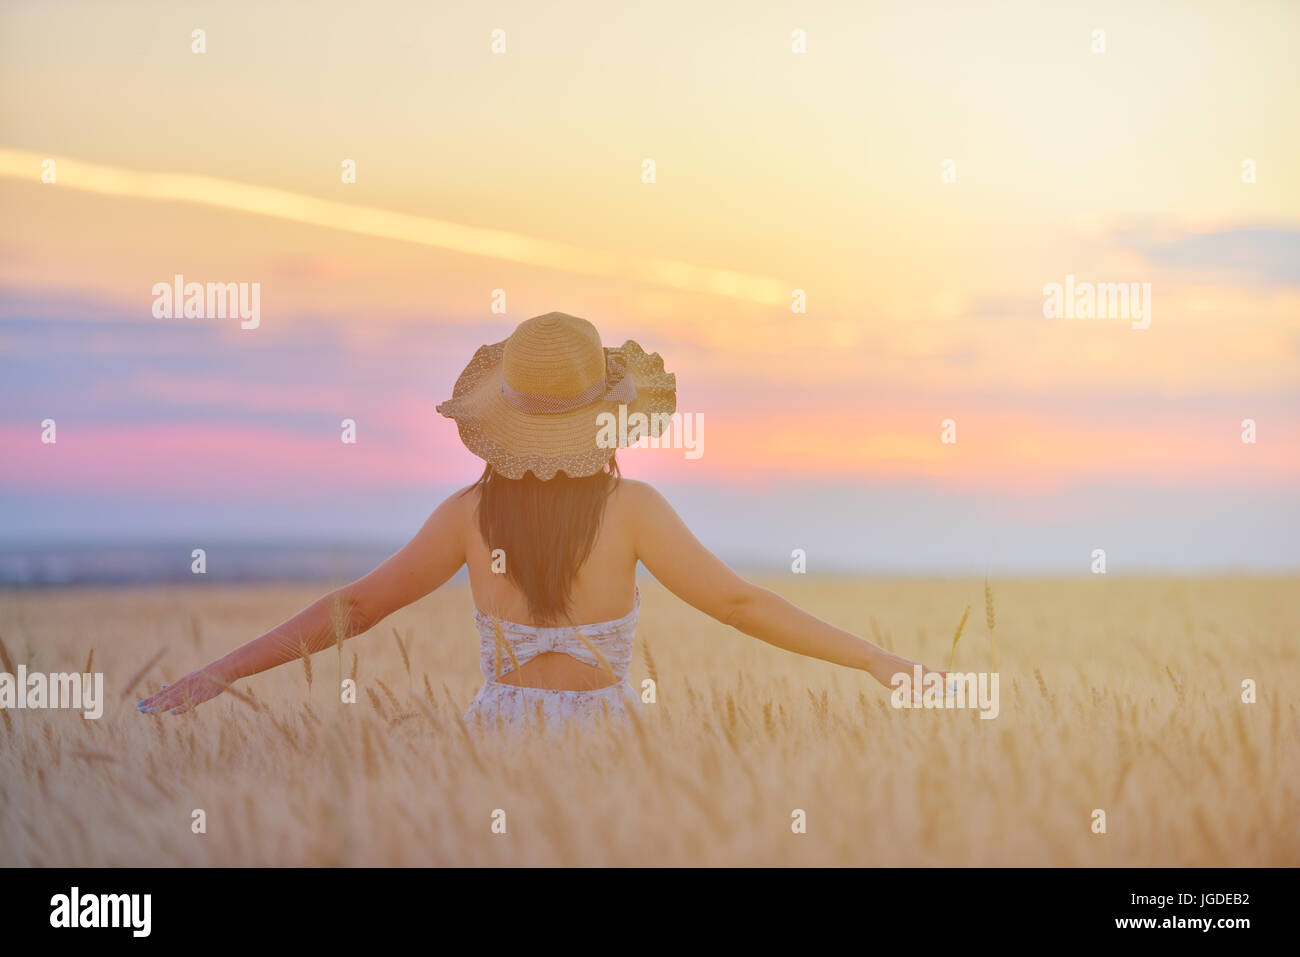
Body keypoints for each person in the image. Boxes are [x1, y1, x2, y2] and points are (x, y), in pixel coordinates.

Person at [137, 312, 943, 729]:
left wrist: (224, 671)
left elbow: (358, 607)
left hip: (495, 741)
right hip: (610, 745)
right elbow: (739, 604)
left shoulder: (465, 517)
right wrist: (875, 659)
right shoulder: (634, 512)